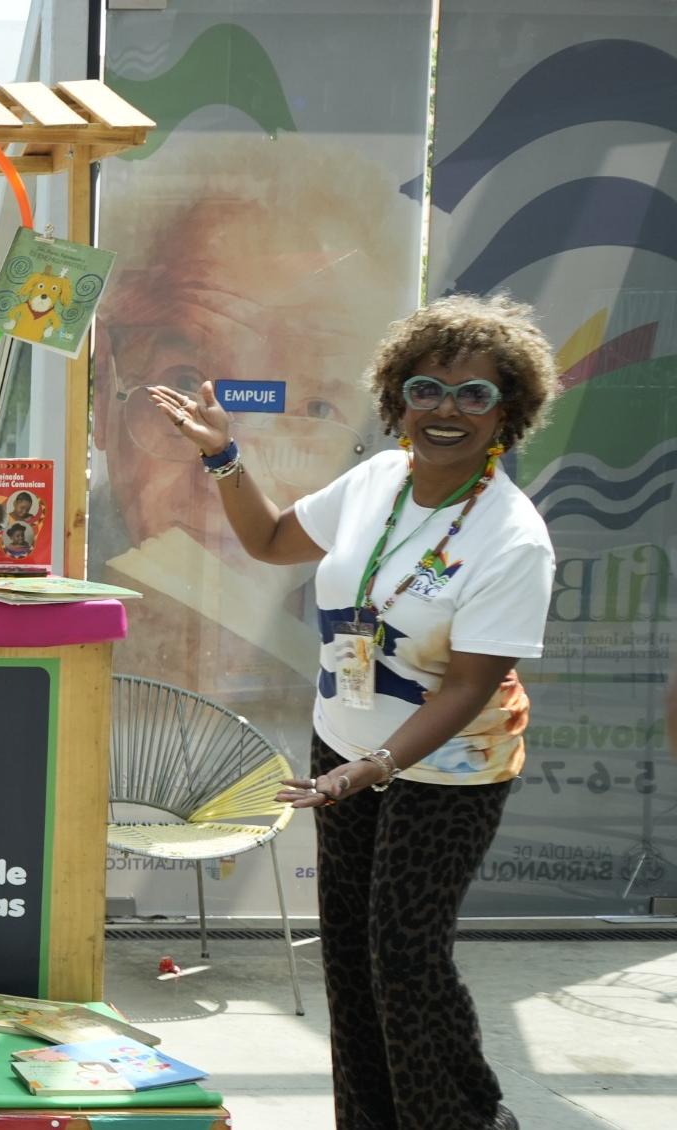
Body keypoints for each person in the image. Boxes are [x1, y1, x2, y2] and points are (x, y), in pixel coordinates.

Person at [151, 294, 559, 1130]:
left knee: (404, 958)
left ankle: (460, 1119)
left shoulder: (513, 539)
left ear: (508, 412)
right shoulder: (378, 481)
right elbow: (270, 541)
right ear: (396, 398)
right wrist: (224, 456)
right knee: (350, 956)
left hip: (447, 768)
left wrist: (375, 770)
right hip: (344, 743)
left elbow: (467, 685)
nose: (446, 411)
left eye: (475, 395)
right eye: (427, 389)